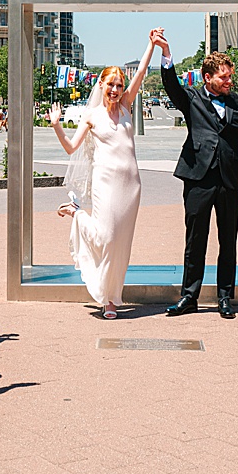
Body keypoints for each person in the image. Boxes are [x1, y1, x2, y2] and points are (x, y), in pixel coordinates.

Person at [50, 34, 158, 318]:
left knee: (121, 244)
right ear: (101, 85)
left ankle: (111, 299)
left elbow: (142, 74)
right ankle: (77, 214)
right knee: (107, 236)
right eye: (111, 84)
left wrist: (151, 45)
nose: (116, 89)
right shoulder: (91, 116)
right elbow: (71, 147)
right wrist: (56, 126)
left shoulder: (126, 107)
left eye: (119, 85)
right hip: (105, 184)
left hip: (131, 185)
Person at [156, 34, 238, 319]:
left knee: (228, 241)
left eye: (230, 77)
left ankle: (225, 297)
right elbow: (171, 85)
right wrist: (166, 52)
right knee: (195, 240)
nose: (230, 82)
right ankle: (189, 296)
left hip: (231, 181)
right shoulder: (191, 99)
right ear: (207, 77)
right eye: (224, 77)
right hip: (197, 178)